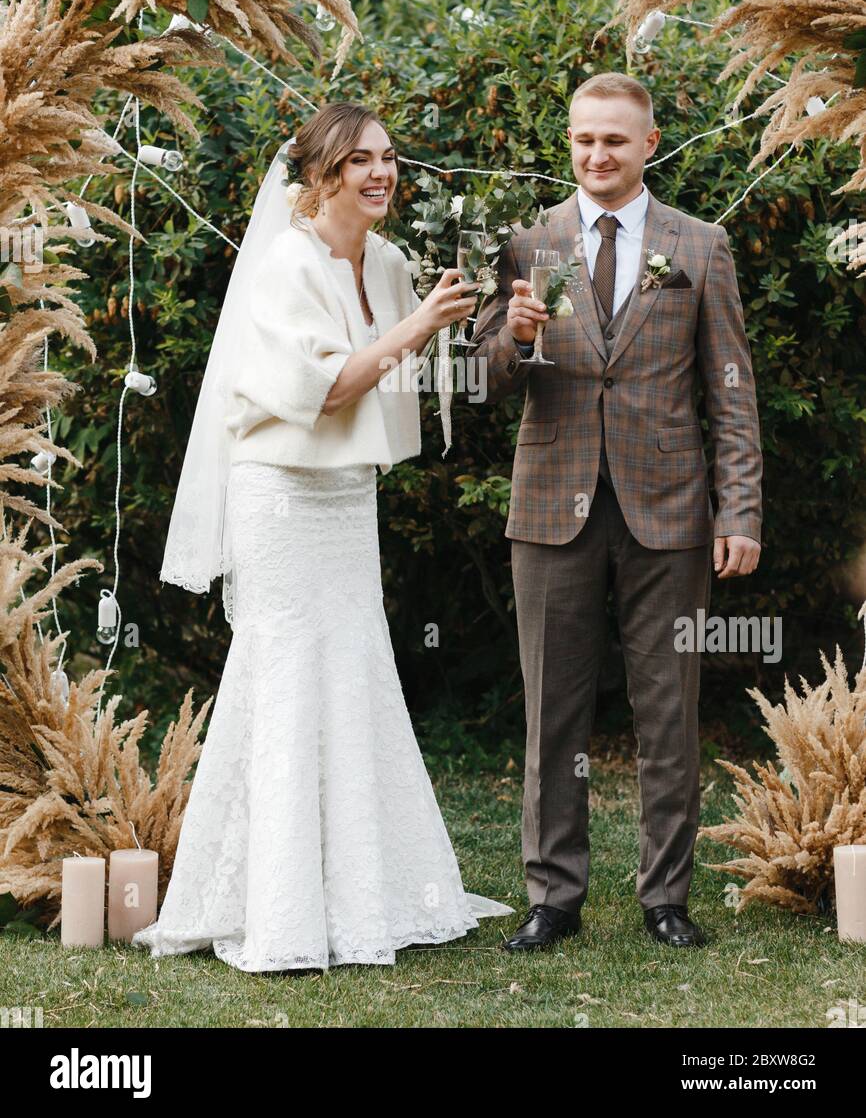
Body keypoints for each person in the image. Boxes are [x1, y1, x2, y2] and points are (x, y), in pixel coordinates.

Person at [131, 100, 513, 972]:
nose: (383, 174)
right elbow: (331, 388)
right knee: (289, 674)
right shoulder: (283, 268)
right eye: (361, 162)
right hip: (282, 499)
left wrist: (499, 326)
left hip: (347, 496)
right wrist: (418, 325)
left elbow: (414, 371)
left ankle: (360, 891)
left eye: (388, 159)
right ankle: (277, 907)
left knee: (353, 671)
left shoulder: (386, 263)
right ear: (321, 177)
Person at [468, 72, 762, 952]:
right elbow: (482, 382)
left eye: (615, 141)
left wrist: (739, 511)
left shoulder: (700, 246)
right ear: (570, 142)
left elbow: (732, 393)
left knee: (669, 711)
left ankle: (665, 896)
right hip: (550, 509)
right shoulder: (528, 244)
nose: (597, 155)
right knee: (551, 711)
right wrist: (516, 338)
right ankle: (553, 897)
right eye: (583, 140)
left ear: (649, 143)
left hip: (669, 513)